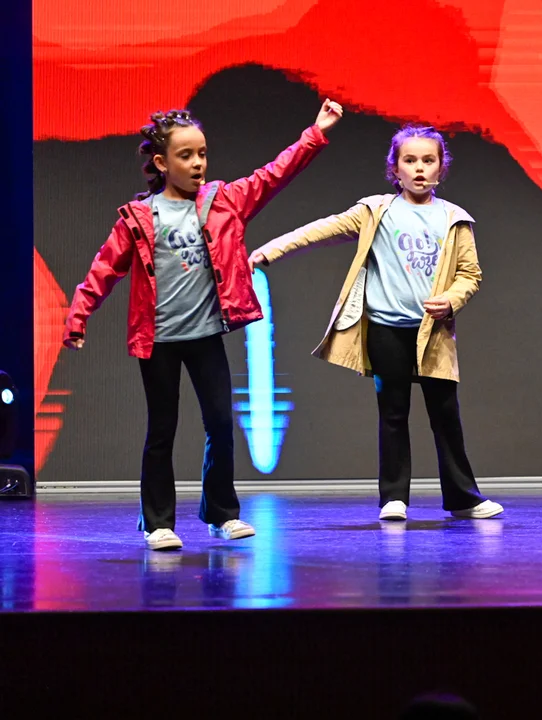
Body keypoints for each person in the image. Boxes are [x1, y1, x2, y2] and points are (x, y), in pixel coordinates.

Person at [64, 99, 343, 550]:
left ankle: (221, 513)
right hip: (159, 341)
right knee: (162, 430)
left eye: (202, 154)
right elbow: (103, 269)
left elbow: (275, 174)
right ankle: (158, 523)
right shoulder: (139, 218)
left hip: (205, 336)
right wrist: (78, 316)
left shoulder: (223, 202)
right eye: (186, 155)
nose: (197, 163)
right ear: (162, 163)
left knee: (220, 424)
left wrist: (316, 132)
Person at [249, 124, 503, 522]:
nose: (419, 168)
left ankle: (463, 498)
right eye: (410, 160)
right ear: (395, 168)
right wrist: (271, 250)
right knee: (393, 414)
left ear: (441, 167)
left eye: (428, 160)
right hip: (386, 329)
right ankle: (394, 498)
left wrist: (451, 300)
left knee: (445, 417)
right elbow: (321, 230)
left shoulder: (455, 219)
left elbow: (470, 274)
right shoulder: (376, 211)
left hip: (432, 333)